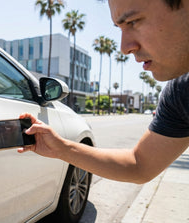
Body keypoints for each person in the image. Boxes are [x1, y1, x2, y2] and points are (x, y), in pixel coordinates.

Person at [18, 0, 189, 184]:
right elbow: (139, 165)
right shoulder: (180, 93)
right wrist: (61, 148)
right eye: (119, 28)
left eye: (133, 21)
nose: (124, 48)